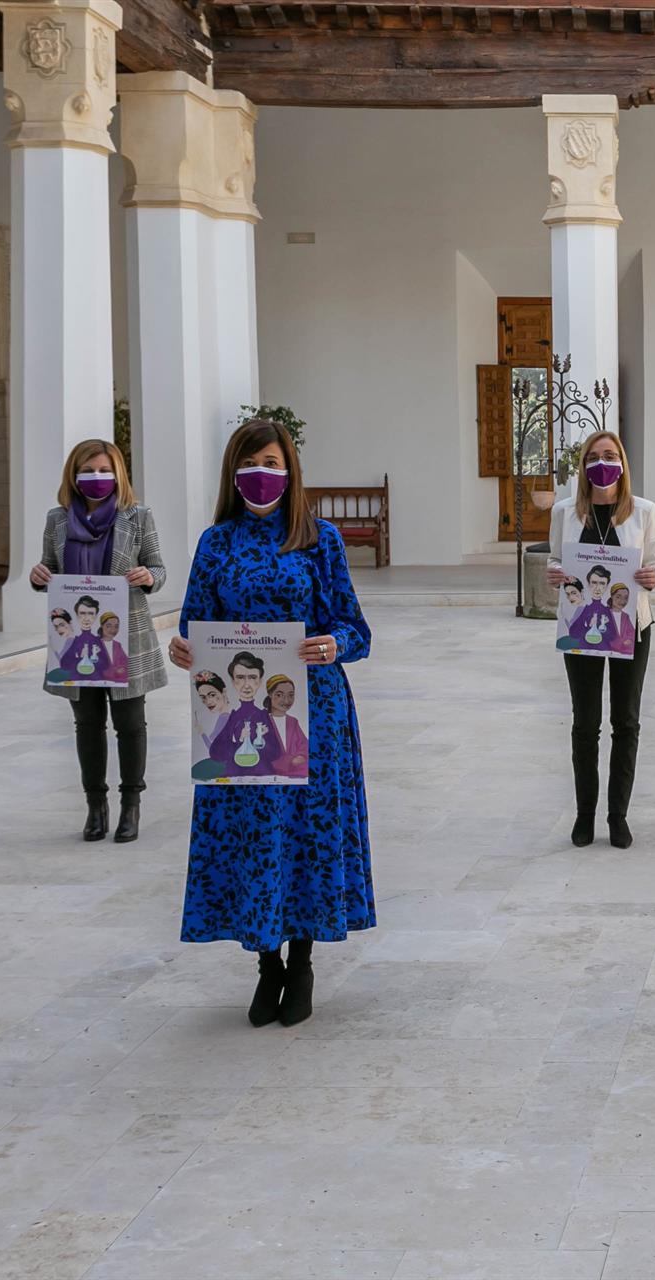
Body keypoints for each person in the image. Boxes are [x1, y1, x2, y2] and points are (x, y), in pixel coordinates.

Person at [168, 417, 375, 1028]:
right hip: (238, 722)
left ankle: (303, 961)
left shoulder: (319, 540)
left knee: (307, 838)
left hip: (312, 716)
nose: (264, 475)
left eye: (273, 463)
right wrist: (185, 651)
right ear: (235, 472)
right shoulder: (217, 543)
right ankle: (267, 964)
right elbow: (194, 626)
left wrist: (332, 645)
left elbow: (356, 630)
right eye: (252, 463)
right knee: (251, 840)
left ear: (291, 471)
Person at [29, 439, 167, 843]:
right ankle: (95, 804)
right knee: (87, 724)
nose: (96, 478)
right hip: (76, 645)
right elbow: (49, 570)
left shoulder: (137, 517)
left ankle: (131, 804)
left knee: (129, 723)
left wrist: (149, 577)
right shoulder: (57, 520)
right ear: (73, 475)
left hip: (126, 638)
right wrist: (39, 578)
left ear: (119, 474)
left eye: (104, 470)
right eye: (86, 471)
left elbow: (158, 567)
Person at [545, 430, 655, 849]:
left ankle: (618, 816)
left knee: (626, 721)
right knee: (585, 723)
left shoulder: (644, 511)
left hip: (630, 625)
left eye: (610, 455)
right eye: (594, 456)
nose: (603, 463)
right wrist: (554, 572)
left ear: (623, 463)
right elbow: (556, 560)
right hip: (580, 628)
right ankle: (584, 816)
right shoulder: (565, 511)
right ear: (583, 466)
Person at [264, 674, 310, 780]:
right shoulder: (262, 720)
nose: (286, 700)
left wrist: (301, 756)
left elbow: (304, 744)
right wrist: (289, 761)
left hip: (293, 774)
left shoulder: (293, 722)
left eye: (290, 695)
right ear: (270, 694)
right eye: (279, 695)